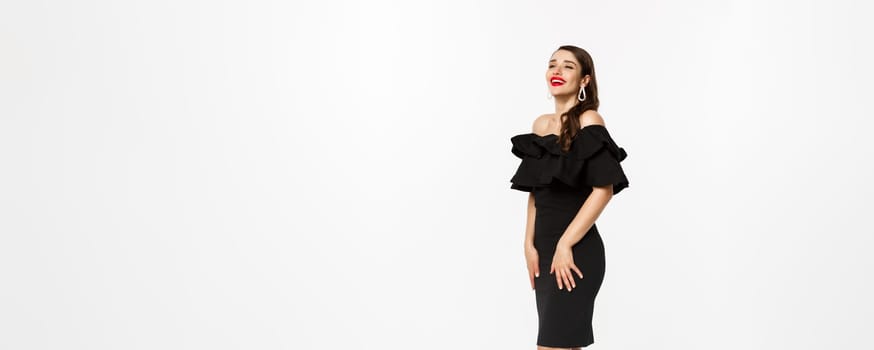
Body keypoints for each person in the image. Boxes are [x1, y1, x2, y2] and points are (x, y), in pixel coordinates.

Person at [509, 45, 630, 349]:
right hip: (545, 251)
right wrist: (528, 244)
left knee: (551, 345)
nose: (557, 71)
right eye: (552, 65)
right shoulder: (540, 126)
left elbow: (604, 190)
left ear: (585, 80)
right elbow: (536, 192)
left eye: (568, 66)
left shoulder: (589, 121)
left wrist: (565, 243)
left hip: (576, 252)